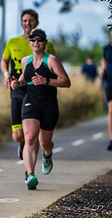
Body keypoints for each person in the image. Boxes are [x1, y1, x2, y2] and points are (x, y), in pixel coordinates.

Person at [11, 28, 70, 190]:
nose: (36, 42)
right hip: (30, 102)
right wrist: (17, 83)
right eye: (33, 39)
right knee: (29, 138)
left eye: (39, 39)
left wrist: (47, 80)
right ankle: (30, 174)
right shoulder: (25, 61)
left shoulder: (51, 61)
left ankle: (47, 154)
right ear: (29, 43)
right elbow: (25, 78)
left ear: (44, 43)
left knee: (45, 142)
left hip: (49, 105)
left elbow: (66, 81)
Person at [0, 9, 57, 160]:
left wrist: (47, 81)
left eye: (31, 20)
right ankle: (25, 143)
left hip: (36, 90)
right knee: (18, 135)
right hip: (18, 88)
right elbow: (4, 61)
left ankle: (30, 162)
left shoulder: (46, 44)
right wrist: (6, 74)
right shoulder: (12, 42)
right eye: (25, 21)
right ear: (21, 23)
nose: (28, 23)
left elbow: (53, 66)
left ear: (36, 23)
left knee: (32, 134)